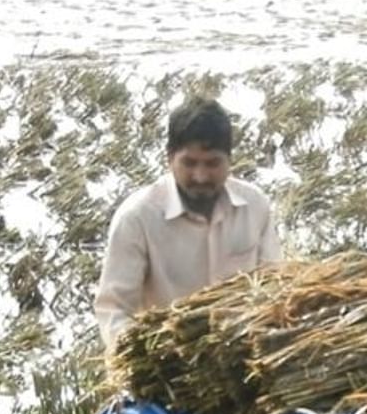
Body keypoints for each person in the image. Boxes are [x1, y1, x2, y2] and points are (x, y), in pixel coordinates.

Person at [93, 96, 283, 351]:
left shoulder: (255, 206)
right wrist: (135, 358)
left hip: (242, 356)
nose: (201, 176)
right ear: (170, 158)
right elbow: (114, 308)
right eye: (190, 163)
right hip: (167, 361)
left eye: (213, 163)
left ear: (230, 159)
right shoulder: (137, 218)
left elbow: (276, 286)